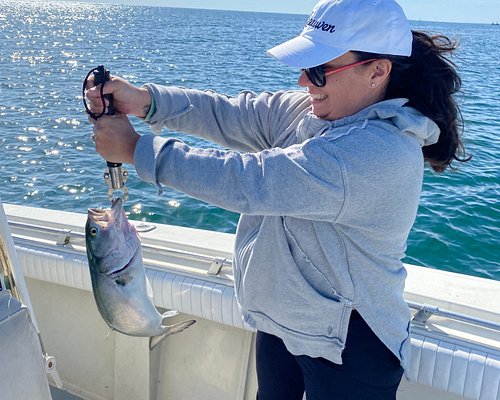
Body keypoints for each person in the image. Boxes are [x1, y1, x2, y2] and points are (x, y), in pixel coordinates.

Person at [86, 0, 469, 398]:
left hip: (349, 341)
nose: (304, 82)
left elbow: (252, 182)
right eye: (305, 66)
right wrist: (146, 100)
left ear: (377, 71)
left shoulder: (380, 152)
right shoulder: (312, 112)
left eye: (320, 70)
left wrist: (137, 150)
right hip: (283, 321)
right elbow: (231, 114)